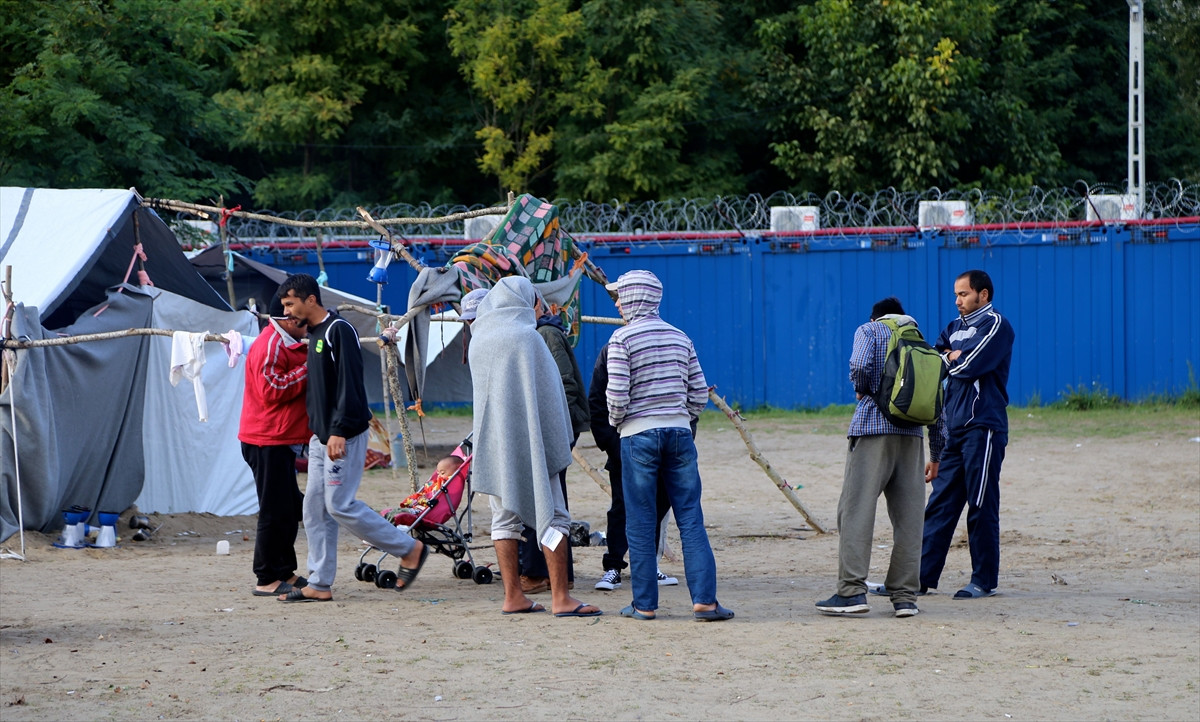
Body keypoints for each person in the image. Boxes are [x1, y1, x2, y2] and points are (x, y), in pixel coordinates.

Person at [275, 273, 427, 602]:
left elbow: (351, 385)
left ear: (310, 300)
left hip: (341, 435)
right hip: (320, 438)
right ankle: (319, 583)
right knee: (314, 509)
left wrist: (339, 431)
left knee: (339, 504)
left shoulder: (338, 330)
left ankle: (409, 549)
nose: (286, 311)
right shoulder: (315, 333)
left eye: (290, 304)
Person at [467, 276, 601, 617]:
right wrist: (556, 439)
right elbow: (549, 394)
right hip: (532, 442)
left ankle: (513, 596)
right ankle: (561, 598)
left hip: (495, 445)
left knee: (503, 519)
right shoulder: (528, 337)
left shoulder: (479, 339)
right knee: (554, 514)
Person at [606, 270, 733, 622]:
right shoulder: (680, 337)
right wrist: (681, 418)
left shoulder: (621, 339)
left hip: (638, 435)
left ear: (634, 298)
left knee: (640, 521)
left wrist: (621, 423)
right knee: (690, 517)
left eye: (620, 296)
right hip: (679, 433)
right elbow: (698, 393)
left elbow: (616, 396)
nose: (616, 303)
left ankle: (644, 605)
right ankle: (705, 602)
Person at [815, 297, 945, 618]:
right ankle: (905, 597)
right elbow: (936, 399)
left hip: (873, 431)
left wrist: (862, 390)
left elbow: (859, 365)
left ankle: (851, 592)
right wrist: (936, 453)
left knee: (856, 511)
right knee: (909, 520)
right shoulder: (921, 343)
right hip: (912, 438)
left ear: (876, 318)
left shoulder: (870, 331)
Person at [920, 270, 1015, 599]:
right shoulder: (953, 328)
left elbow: (968, 366)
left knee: (981, 503)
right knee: (940, 504)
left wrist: (949, 358)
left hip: (983, 427)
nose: (958, 301)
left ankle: (983, 581)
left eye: (964, 294)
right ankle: (919, 577)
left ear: (983, 295)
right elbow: (931, 364)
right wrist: (949, 356)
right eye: (956, 295)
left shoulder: (996, 325)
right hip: (953, 429)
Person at [239, 294, 311, 598]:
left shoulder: (284, 342)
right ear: (289, 319)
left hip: (278, 438)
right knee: (273, 509)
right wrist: (309, 367)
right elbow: (273, 388)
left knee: (288, 507)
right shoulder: (271, 343)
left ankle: (284, 570)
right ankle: (266, 576)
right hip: (266, 439)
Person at [516, 292, 588, 595]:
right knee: (550, 499)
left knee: (541, 499)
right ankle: (555, 574)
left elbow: (566, 384)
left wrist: (555, 428)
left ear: (536, 306)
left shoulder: (545, 334)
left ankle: (538, 573)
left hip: (553, 428)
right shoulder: (537, 333)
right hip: (550, 427)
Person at [591, 342, 677, 592]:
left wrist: (684, 433)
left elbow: (691, 392)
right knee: (621, 506)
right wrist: (612, 443)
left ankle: (649, 566)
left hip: (665, 443)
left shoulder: (673, 342)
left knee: (659, 504)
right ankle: (613, 567)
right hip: (624, 444)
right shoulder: (614, 348)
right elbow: (598, 398)